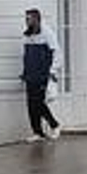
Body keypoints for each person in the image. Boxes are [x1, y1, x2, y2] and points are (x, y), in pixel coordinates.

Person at [22, 8, 61, 142]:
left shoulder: (47, 33)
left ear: (36, 19)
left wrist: (52, 71)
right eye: (26, 19)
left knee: (38, 103)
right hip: (30, 75)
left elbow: (56, 53)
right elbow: (26, 56)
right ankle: (37, 132)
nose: (27, 21)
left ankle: (54, 125)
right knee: (30, 104)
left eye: (29, 18)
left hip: (42, 74)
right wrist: (25, 72)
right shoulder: (27, 35)